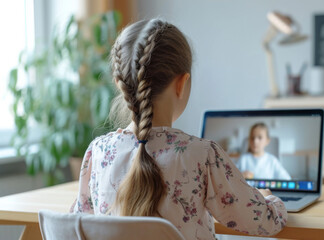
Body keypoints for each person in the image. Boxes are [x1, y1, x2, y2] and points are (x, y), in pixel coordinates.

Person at [71, 19, 287, 239]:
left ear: (120, 84)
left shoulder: (97, 152)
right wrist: (269, 199)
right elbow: (264, 222)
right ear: (181, 84)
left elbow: (80, 222)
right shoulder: (202, 155)